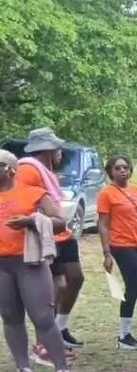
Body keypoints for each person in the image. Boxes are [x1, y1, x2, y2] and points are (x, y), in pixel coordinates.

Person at [0, 149, 72, 372]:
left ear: (9, 170)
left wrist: (32, 221)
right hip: (2, 264)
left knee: (42, 317)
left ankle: (62, 371)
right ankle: (23, 370)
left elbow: (60, 221)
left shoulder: (33, 193)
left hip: (28, 261)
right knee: (10, 317)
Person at [15, 128, 85, 356]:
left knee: (75, 278)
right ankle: (43, 342)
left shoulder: (46, 170)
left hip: (62, 233)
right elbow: (20, 198)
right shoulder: (27, 169)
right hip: (47, 235)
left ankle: (59, 328)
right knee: (55, 288)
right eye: (57, 148)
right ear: (47, 149)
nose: (60, 152)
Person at [97, 156, 137, 349]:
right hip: (121, 244)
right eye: (118, 168)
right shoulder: (107, 194)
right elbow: (103, 225)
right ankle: (124, 334)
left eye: (126, 167)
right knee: (133, 285)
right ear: (111, 171)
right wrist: (106, 252)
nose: (122, 171)